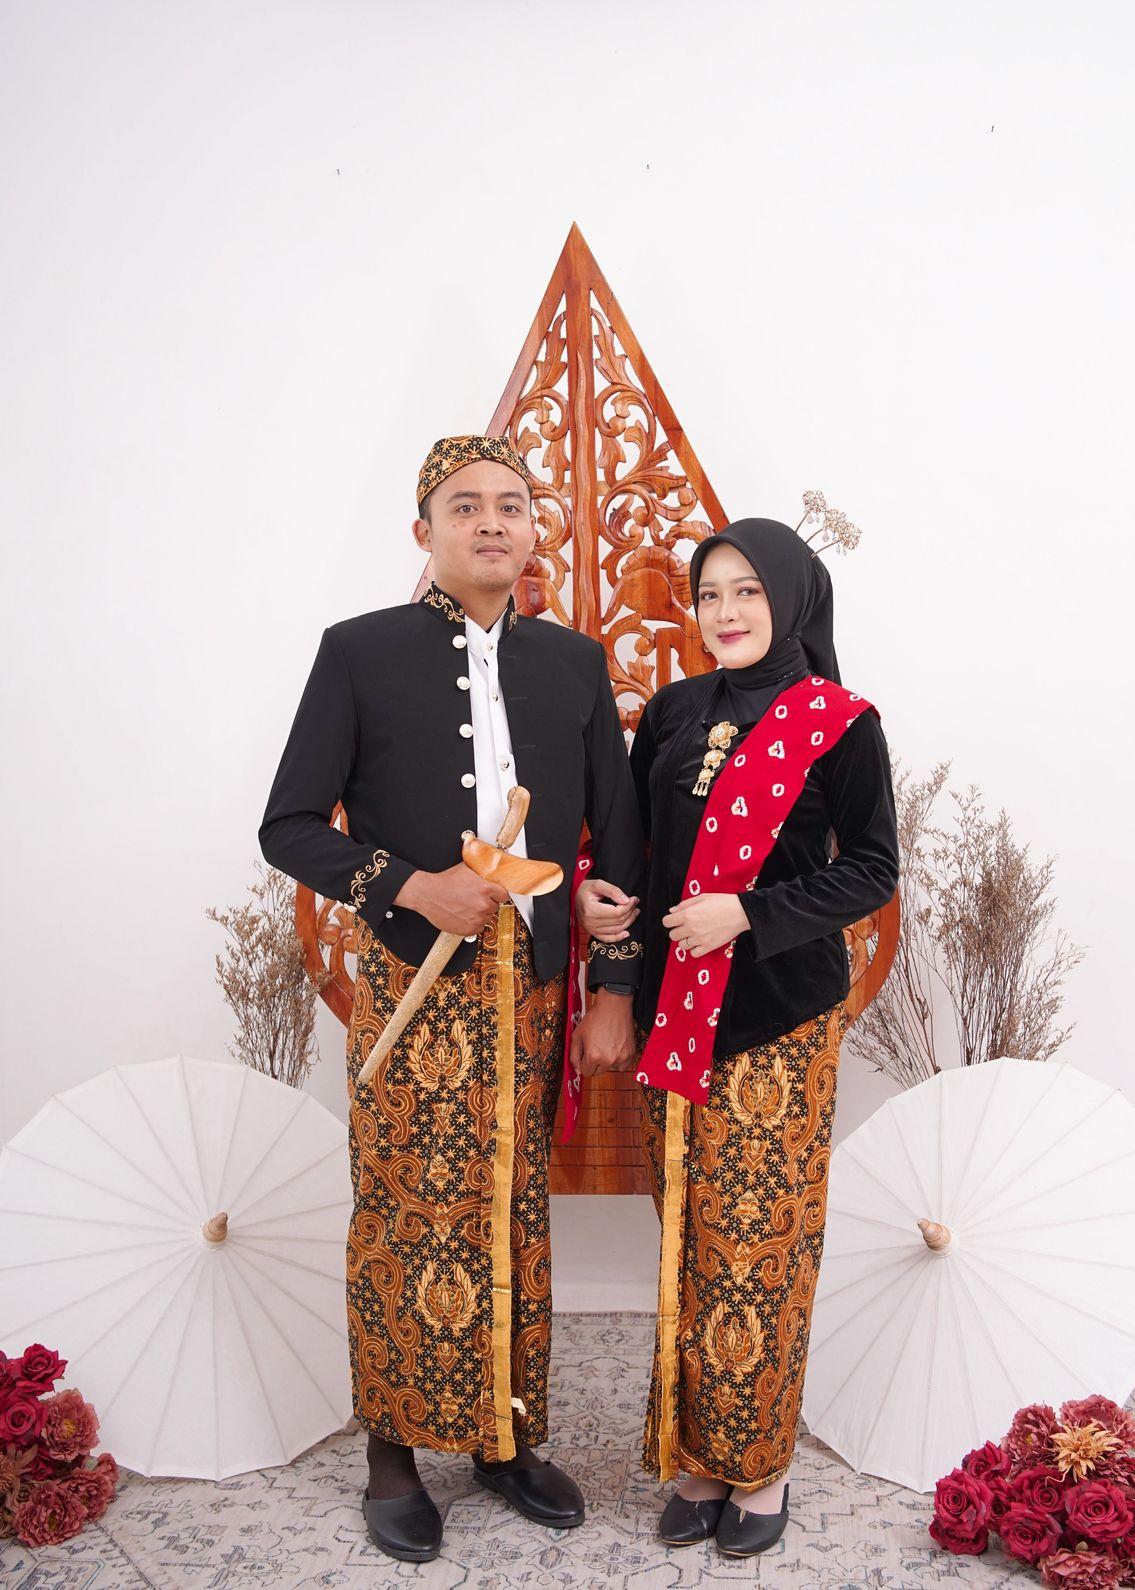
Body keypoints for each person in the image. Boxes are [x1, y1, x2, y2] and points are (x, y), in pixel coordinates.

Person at [260, 435, 645, 1563]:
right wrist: (407, 884)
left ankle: (502, 1441)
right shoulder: (359, 652)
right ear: (423, 530)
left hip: (531, 986)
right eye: (465, 505)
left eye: (511, 506)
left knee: (515, 1208)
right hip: (410, 985)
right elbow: (288, 826)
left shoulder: (573, 663)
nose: (491, 522)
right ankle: (392, 1455)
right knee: (403, 1211)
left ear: (534, 532)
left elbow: (619, 839)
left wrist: (614, 989)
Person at [577, 518, 898, 1557]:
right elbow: (633, 849)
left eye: (747, 591)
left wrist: (748, 915)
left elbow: (871, 870)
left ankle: (761, 1467)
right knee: (688, 1238)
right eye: (709, 593)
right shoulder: (673, 711)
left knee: (759, 1245)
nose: (724, 612)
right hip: (674, 1011)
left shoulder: (840, 722)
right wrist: (598, 911)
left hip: (777, 1018)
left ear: (792, 599)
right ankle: (699, 1459)